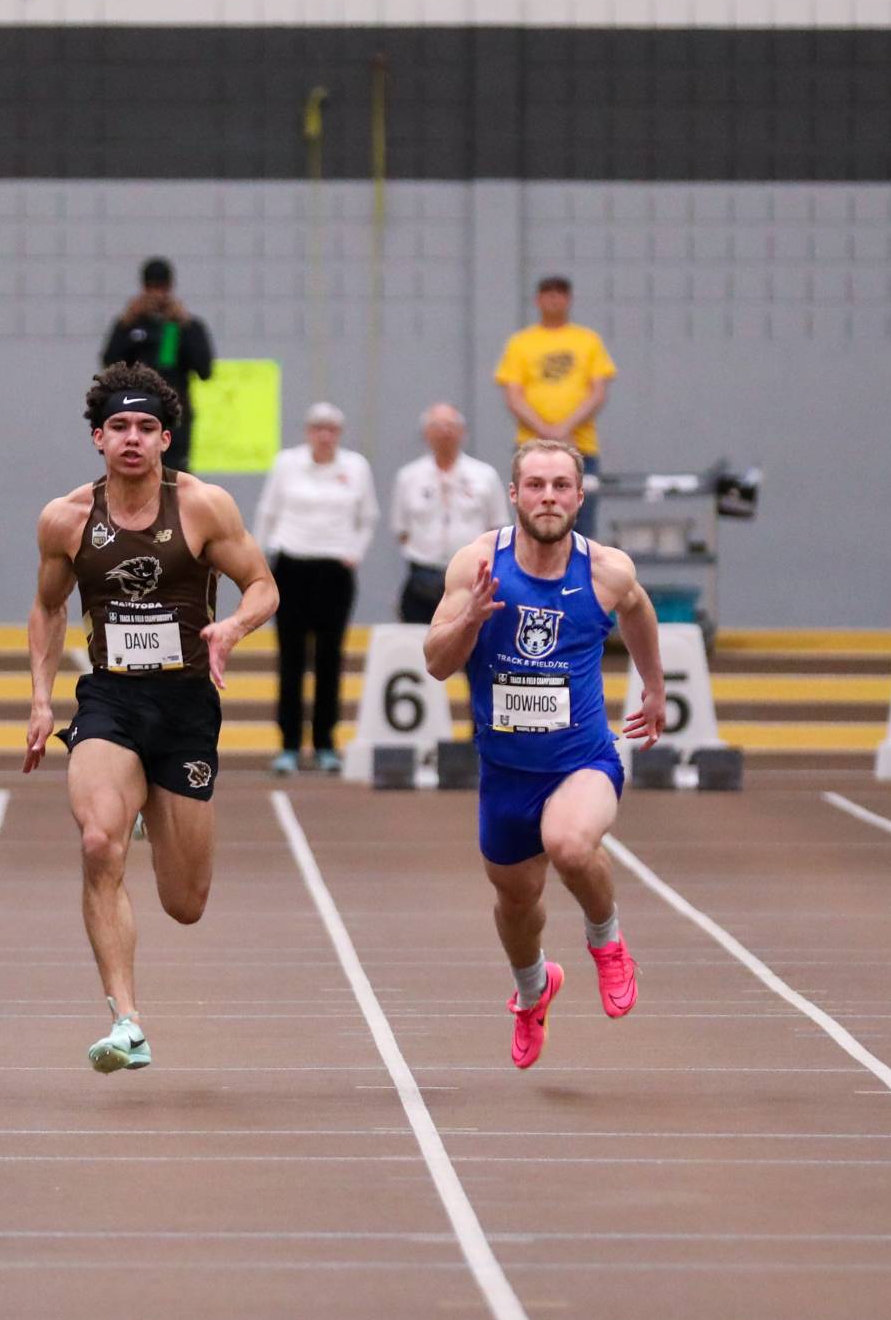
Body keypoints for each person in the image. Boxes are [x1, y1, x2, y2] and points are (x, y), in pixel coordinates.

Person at [25, 362, 277, 1074]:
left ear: (165, 438)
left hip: (187, 706)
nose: (132, 439)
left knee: (185, 902)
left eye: (145, 427)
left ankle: (146, 804)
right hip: (110, 699)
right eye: (118, 428)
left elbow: (263, 586)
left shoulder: (203, 507)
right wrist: (42, 699)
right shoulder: (67, 519)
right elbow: (48, 606)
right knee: (99, 842)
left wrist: (230, 629)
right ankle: (126, 1021)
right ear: (98, 439)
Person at [423, 440, 667, 1072]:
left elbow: (639, 611)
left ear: (580, 498)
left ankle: (607, 943)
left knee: (569, 843)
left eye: (562, 486)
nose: (549, 497)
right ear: (514, 495)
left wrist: (655, 685)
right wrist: (471, 619)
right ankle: (533, 992)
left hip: (582, 759)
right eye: (536, 485)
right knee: (516, 902)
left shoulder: (608, 570)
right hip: (505, 771)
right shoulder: (477, 565)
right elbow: (436, 663)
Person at [256, 401, 377, 775]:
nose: (324, 435)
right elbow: (267, 513)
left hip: (334, 570)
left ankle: (325, 743)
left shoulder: (356, 467)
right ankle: (289, 745)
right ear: (308, 431)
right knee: (291, 659)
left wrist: (353, 553)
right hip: (291, 565)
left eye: (331, 429)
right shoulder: (286, 464)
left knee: (329, 658)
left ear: (338, 434)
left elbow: (368, 516)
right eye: (318, 428)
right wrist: (262, 565)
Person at [493, 276, 617, 537]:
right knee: (532, 521)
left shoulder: (588, 341)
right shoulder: (521, 343)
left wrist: (564, 429)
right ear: (538, 300)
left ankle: (579, 578)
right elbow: (514, 395)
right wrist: (547, 432)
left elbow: (597, 392)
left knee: (580, 525)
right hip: (530, 447)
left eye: (560, 294)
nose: (554, 299)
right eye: (548, 294)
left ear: (569, 300)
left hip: (580, 446)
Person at [391, 403, 508, 623]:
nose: (445, 432)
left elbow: (497, 525)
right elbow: (401, 529)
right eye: (437, 426)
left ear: (463, 432)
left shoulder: (485, 475)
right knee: (420, 642)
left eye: (451, 426)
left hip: (472, 577)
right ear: (426, 433)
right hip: (422, 575)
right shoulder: (408, 476)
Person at [100, 258, 215, 470]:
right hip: (136, 414)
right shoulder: (130, 324)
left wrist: (185, 325)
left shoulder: (183, 326)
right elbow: (109, 363)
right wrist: (127, 325)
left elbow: (205, 370)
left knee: (173, 475)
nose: (156, 294)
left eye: (161, 288)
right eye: (151, 288)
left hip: (174, 416)